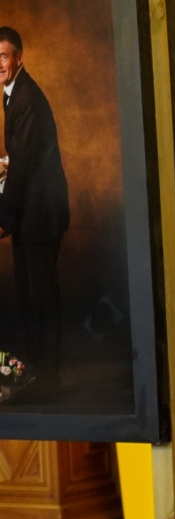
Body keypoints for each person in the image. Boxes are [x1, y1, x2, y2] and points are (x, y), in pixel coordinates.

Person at [0, 27, 69, 390]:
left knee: (41, 297)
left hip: (40, 212)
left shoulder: (23, 96)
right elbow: (27, 155)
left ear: (19, 57)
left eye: (4, 56)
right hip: (32, 209)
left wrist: (2, 219)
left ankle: (49, 377)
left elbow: (26, 166)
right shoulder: (12, 92)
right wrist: (8, 164)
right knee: (29, 295)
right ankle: (40, 373)